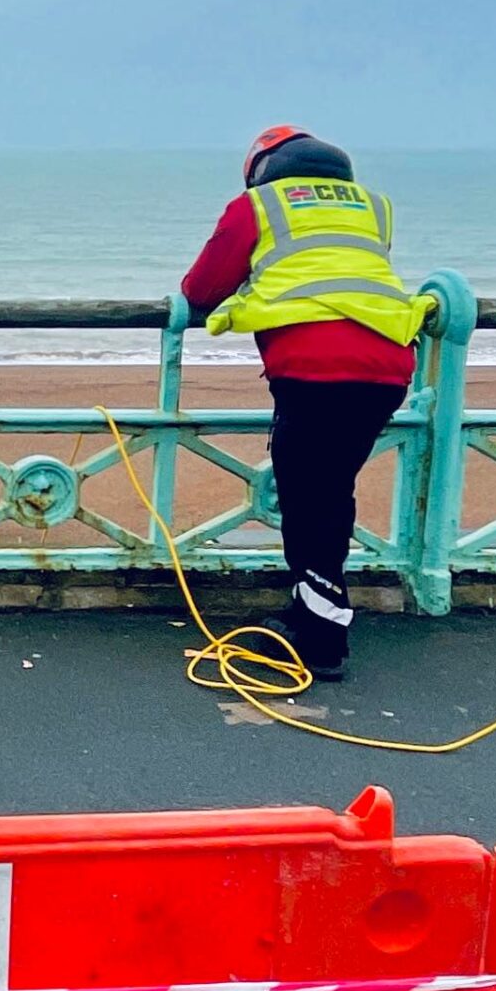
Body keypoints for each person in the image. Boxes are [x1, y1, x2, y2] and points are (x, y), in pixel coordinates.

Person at [180, 128, 433, 681]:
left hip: (315, 367)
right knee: (330, 488)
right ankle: (313, 609)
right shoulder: (374, 209)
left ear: (260, 169)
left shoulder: (259, 206)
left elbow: (201, 289)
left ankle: (321, 640)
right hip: (388, 364)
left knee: (309, 497)